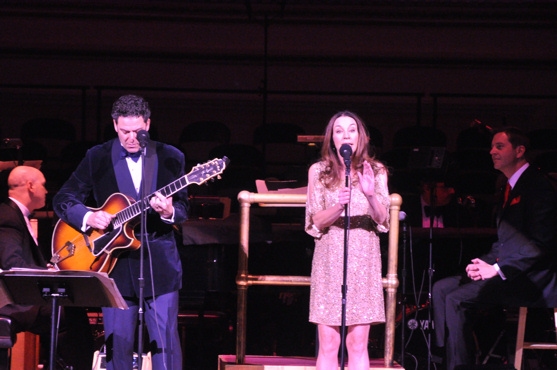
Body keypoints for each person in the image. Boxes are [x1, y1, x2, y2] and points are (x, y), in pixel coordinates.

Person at [52, 94, 189, 370]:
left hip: (159, 265)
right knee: (118, 347)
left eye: (137, 131)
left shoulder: (171, 157)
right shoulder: (98, 156)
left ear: (148, 124)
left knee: (166, 347)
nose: (131, 138)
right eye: (125, 131)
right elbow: (63, 199)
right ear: (115, 125)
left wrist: (168, 212)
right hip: (113, 266)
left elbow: (183, 209)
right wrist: (90, 216)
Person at [432, 126, 557, 370]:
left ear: (520, 151)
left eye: (499, 146)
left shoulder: (538, 187)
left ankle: (459, 367)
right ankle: (441, 359)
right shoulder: (508, 186)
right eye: (491, 146)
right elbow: (505, 242)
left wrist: (498, 269)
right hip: (508, 271)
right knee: (440, 289)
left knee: (457, 298)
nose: (491, 152)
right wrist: (482, 264)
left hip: (532, 278)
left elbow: (539, 246)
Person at [305, 111, 390, 370]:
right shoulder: (319, 171)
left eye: (351, 130)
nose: (346, 135)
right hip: (330, 257)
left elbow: (383, 218)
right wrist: (338, 208)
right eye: (339, 131)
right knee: (329, 344)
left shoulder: (376, 170)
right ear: (332, 138)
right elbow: (315, 220)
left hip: (363, 257)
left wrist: (369, 194)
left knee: (358, 344)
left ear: (360, 136)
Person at [0, 165, 94, 370]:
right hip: (8, 302)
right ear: (30, 186)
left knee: (67, 309)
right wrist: (48, 273)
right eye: (43, 185)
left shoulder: (15, 214)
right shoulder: (7, 217)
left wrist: (46, 268)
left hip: (14, 297)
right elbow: (12, 264)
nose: (46, 191)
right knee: (68, 313)